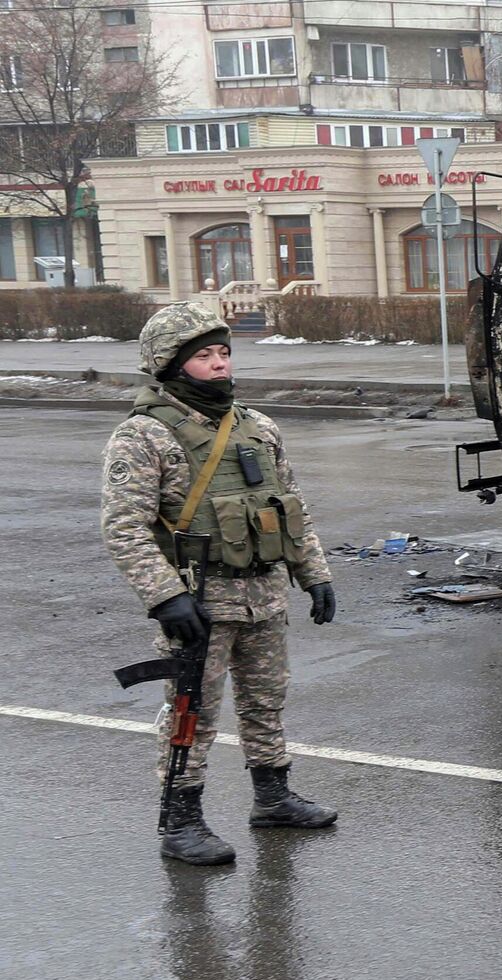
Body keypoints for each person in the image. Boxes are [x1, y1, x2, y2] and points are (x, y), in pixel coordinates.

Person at [101, 302, 339, 866]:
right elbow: (124, 527)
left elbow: (290, 508)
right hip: (200, 602)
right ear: (168, 365)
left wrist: (315, 574)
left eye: (223, 353)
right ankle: (181, 822)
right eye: (203, 356)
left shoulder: (258, 427)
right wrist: (165, 596)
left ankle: (274, 798)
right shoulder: (143, 436)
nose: (217, 365)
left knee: (266, 702)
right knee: (192, 713)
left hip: (263, 594)